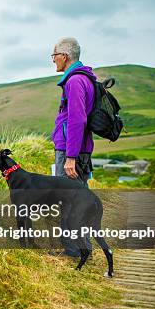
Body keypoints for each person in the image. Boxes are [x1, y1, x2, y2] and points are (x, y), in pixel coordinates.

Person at [51, 37, 94, 257]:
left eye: (54, 55)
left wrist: (70, 157)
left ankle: (72, 250)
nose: (53, 60)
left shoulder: (75, 81)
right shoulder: (82, 78)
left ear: (64, 56)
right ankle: (82, 247)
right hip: (77, 150)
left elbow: (78, 120)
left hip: (72, 152)